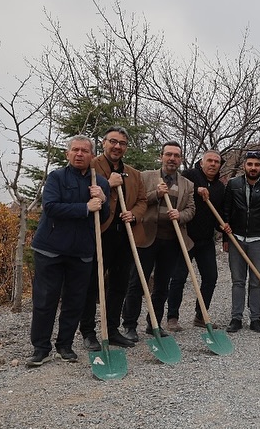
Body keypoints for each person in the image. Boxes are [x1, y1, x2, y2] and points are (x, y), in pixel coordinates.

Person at [28, 135, 109, 366]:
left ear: (92, 155)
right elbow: (51, 207)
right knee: (45, 300)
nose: (79, 154)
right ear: (68, 154)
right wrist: (85, 207)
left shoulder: (100, 183)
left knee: (75, 301)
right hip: (51, 249)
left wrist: (102, 200)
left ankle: (65, 345)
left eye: (84, 150)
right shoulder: (56, 177)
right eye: (75, 150)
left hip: (82, 251)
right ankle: (40, 348)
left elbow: (103, 217)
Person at [119, 142, 195, 343]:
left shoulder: (187, 184)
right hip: (146, 237)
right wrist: (156, 195)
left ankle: (154, 323)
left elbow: (191, 209)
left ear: (180, 159)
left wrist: (180, 215)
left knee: (162, 285)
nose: (172, 159)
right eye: (168, 154)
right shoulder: (145, 177)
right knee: (137, 282)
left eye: (176, 155)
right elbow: (135, 202)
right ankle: (129, 325)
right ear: (161, 156)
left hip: (171, 241)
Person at [79, 126, 145, 352]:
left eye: (122, 143)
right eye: (113, 142)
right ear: (104, 143)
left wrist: (134, 214)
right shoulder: (91, 166)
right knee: (92, 284)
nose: (117, 146)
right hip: (99, 233)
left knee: (119, 284)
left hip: (124, 235)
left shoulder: (134, 174)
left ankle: (112, 329)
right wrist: (108, 183)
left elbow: (143, 201)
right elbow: (83, 192)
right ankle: (88, 332)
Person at [166, 149, 224, 330]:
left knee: (211, 277)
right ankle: (172, 317)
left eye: (216, 162)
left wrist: (223, 226)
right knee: (179, 278)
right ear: (201, 162)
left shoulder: (220, 188)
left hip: (206, 240)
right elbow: (182, 183)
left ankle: (201, 315)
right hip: (185, 238)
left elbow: (219, 216)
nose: (213, 164)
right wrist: (197, 188)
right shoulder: (190, 175)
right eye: (210, 160)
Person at [220, 150, 260, 333]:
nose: (253, 168)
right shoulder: (234, 184)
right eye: (250, 164)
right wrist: (226, 238)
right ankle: (236, 318)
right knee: (238, 281)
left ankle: (255, 319)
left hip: (259, 240)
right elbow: (226, 212)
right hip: (236, 239)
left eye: (257, 165)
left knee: (256, 281)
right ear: (244, 165)